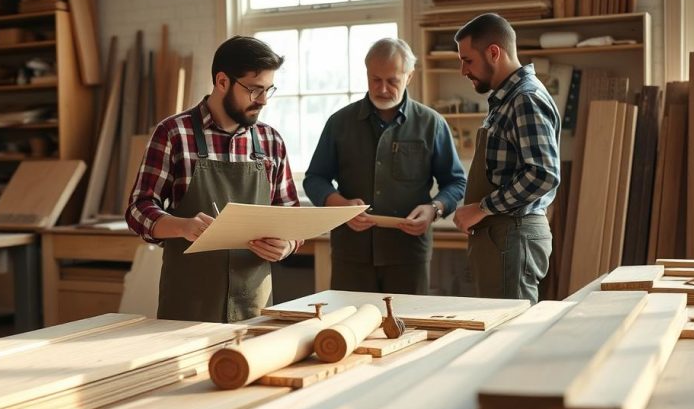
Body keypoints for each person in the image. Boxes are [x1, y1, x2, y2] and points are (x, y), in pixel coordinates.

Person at [125, 35, 302, 323]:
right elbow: (138, 209)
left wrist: (289, 245)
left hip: (254, 308)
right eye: (255, 90)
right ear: (222, 82)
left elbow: (291, 216)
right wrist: (182, 226)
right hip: (187, 308)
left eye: (269, 90)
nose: (264, 101)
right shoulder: (173, 134)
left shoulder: (271, 141)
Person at [304, 38, 466, 295]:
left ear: (409, 77)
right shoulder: (339, 123)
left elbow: (456, 182)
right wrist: (341, 206)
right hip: (351, 254)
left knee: (407, 327)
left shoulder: (431, 123)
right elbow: (314, 179)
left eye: (392, 81)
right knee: (349, 326)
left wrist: (433, 209)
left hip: (408, 255)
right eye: (375, 79)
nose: (382, 89)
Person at [451, 13, 561, 303]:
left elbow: (543, 174)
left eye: (468, 60)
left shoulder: (524, 99)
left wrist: (482, 208)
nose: (463, 70)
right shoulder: (506, 100)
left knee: (509, 338)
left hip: (513, 234)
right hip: (502, 236)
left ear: (494, 52)